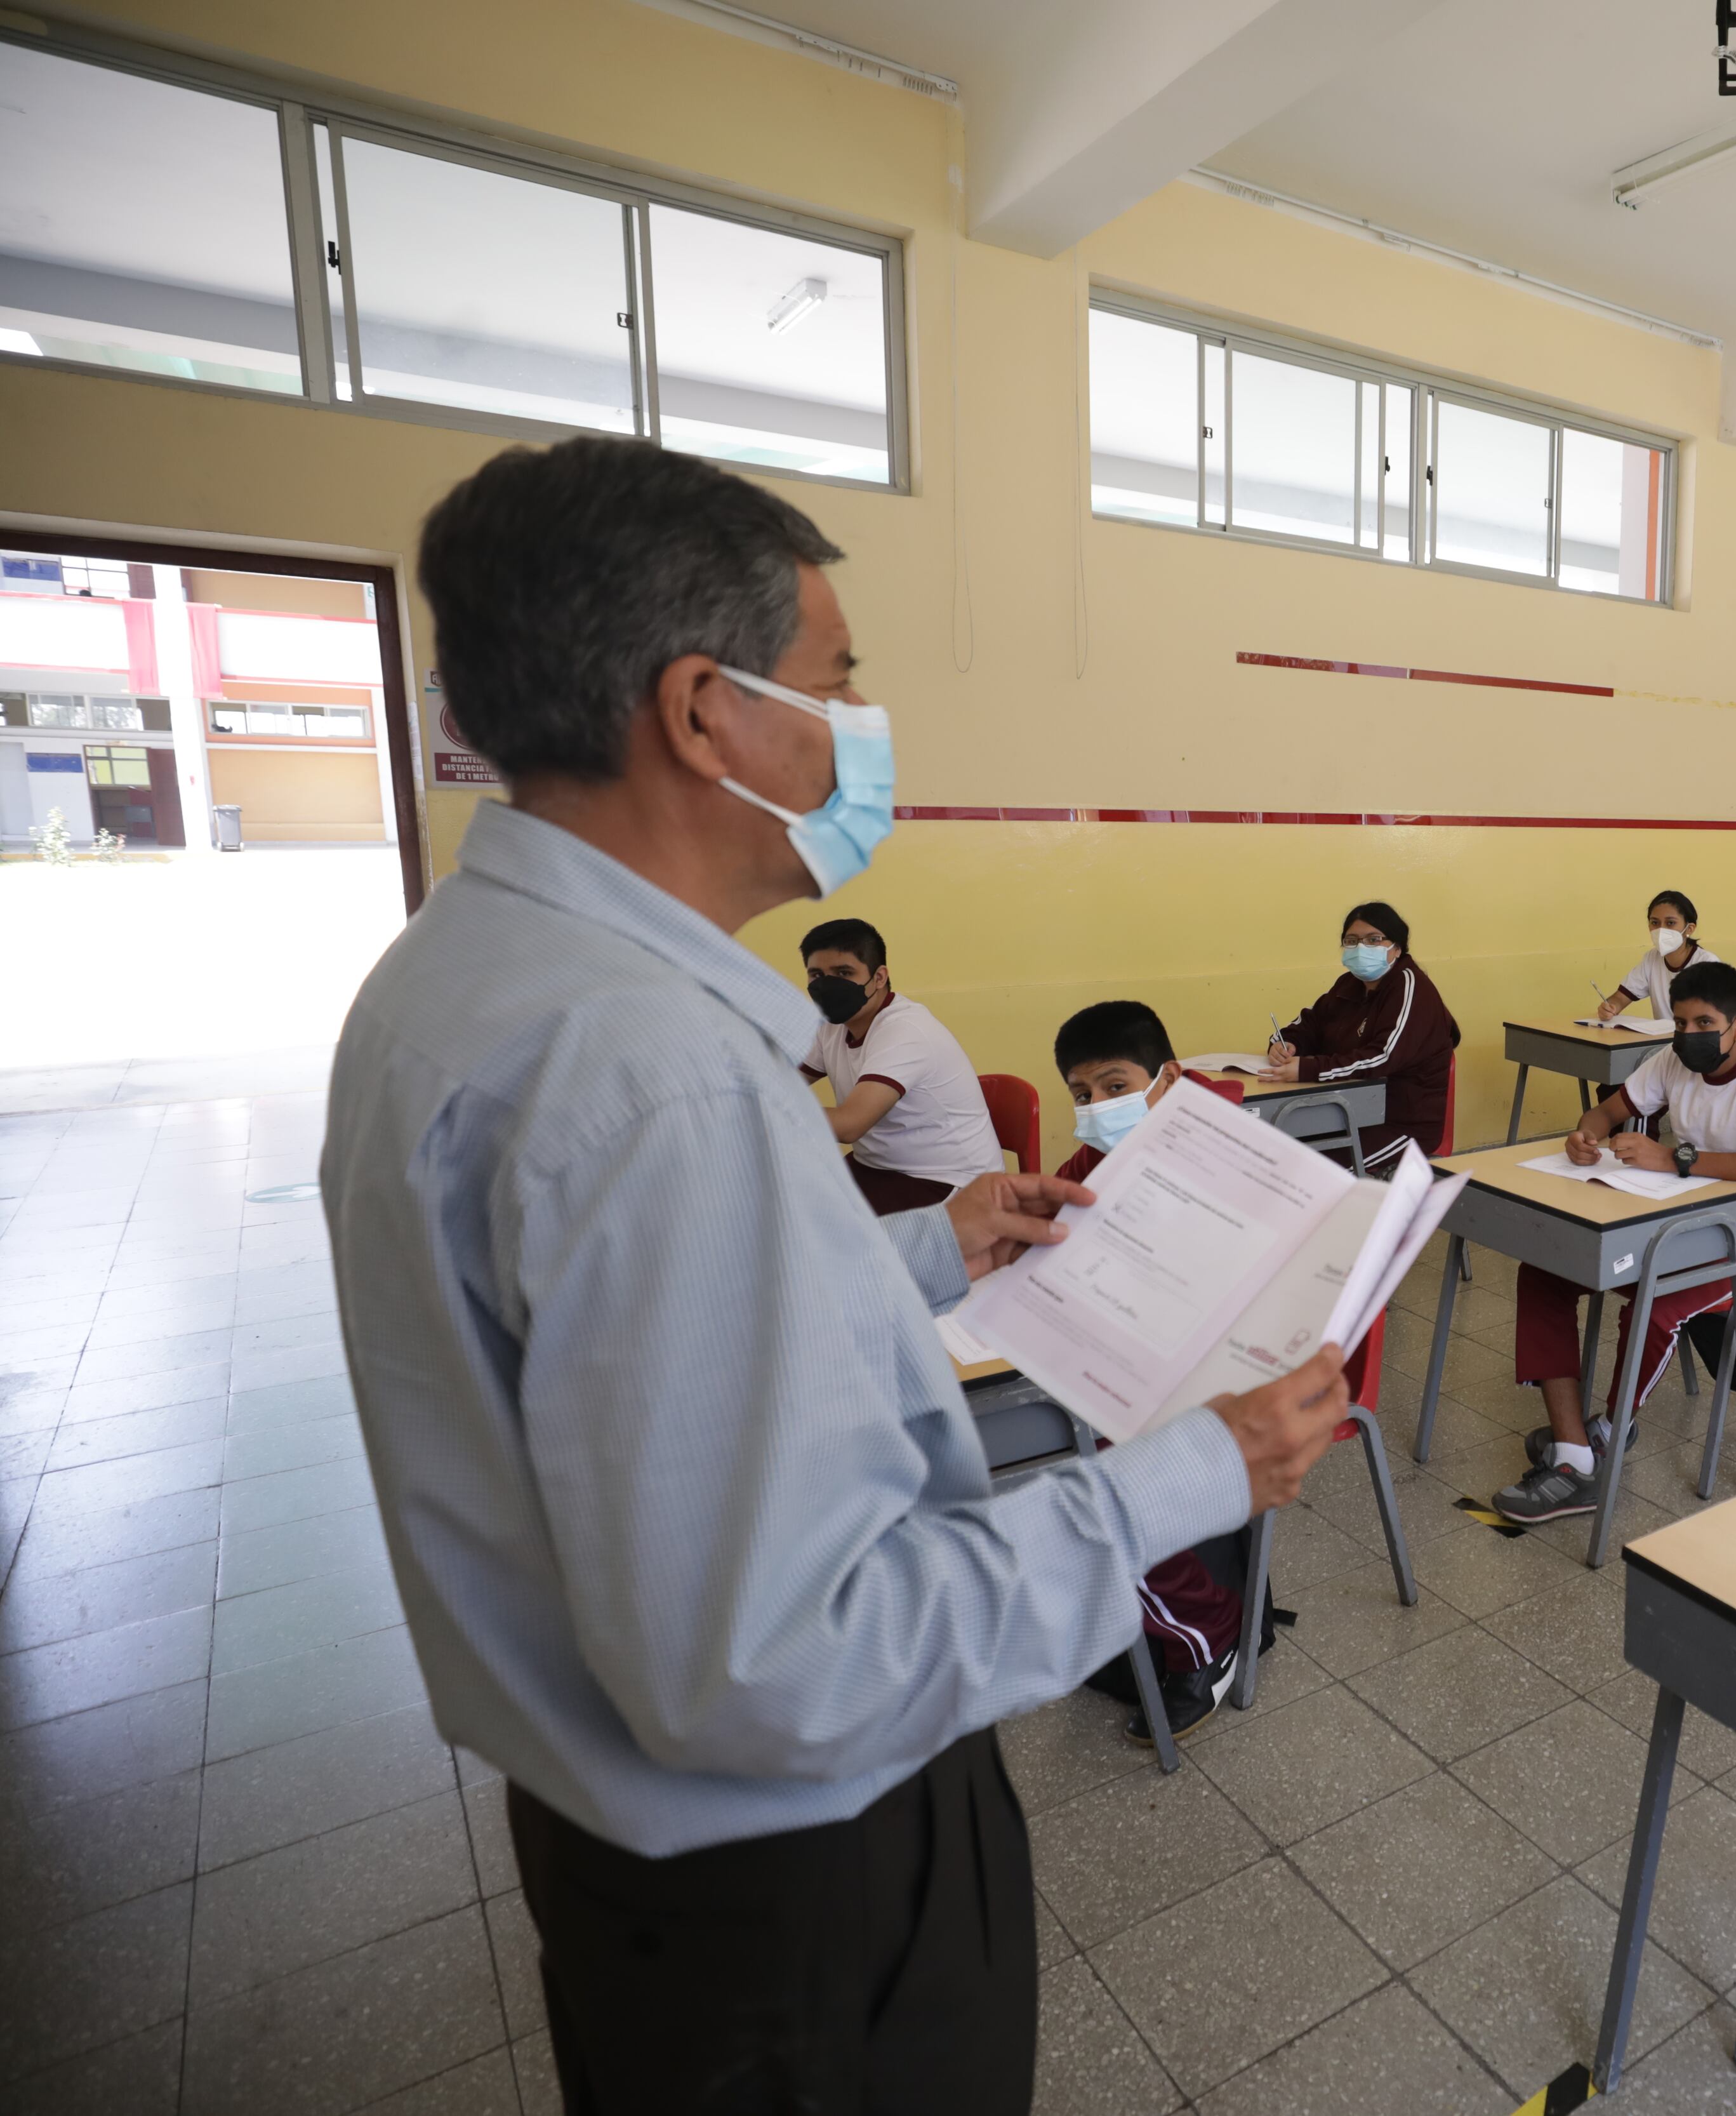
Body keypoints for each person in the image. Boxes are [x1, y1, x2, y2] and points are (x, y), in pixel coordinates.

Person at [329, 436, 1349, 2113]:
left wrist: (923, 1243)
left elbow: (614, 1341)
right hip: (791, 1881)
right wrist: (1202, 1469)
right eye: (839, 678)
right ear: (703, 712)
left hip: (622, 1836)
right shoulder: (656, 1072)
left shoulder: (456, 978)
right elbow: (787, 1662)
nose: (862, 727)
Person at [1492, 959, 1736, 1525]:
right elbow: (1608, 1110)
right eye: (1681, 1024)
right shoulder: (1671, 1061)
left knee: (1656, 1303)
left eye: (1704, 1023)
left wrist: (1673, 1158)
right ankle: (1572, 1453)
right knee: (1542, 1272)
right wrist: (1585, 1135)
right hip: (1669, 1222)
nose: (1689, 1036)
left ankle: (1609, 1430)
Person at [1051, 1000, 1261, 1744]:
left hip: (1236, 1365)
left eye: (1114, 1087)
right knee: (1061, 1443)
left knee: (1109, 1470)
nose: (1098, 1108)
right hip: (1134, 1345)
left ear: (1167, 1079)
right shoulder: (1109, 1148)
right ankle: (1129, 1610)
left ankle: (1210, 1638)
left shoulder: (1231, 1153)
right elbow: (1063, 1209)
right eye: (1081, 1096)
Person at [796, 915, 1002, 1211]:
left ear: (879, 977)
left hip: (947, 1181)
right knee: (788, 1200)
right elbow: (773, 1078)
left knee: (820, 1231)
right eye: (817, 975)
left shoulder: (904, 1031)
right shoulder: (832, 1025)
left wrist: (765, 1107)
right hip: (878, 1167)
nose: (828, 986)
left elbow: (848, 1126)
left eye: (844, 973)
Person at [1266, 899, 1461, 1173]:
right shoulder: (1349, 984)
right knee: (1272, 1156)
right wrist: (1286, 1044)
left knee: (1313, 1175)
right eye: (1352, 940)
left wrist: (1309, 1068)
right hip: (1345, 1113)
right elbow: (1311, 1022)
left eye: (1373, 940)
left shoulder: (1409, 987)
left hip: (1401, 1125)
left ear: (1397, 947)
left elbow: (1382, 1057)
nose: (1361, 948)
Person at [1594, 888, 1721, 1022]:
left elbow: (1716, 1022)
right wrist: (1609, 1008)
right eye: (1655, 923)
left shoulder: (1707, 964)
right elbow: (1620, 998)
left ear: (1689, 929)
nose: (1661, 930)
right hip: (1664, 1042)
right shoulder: (1652, 959)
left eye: (1670, 923)